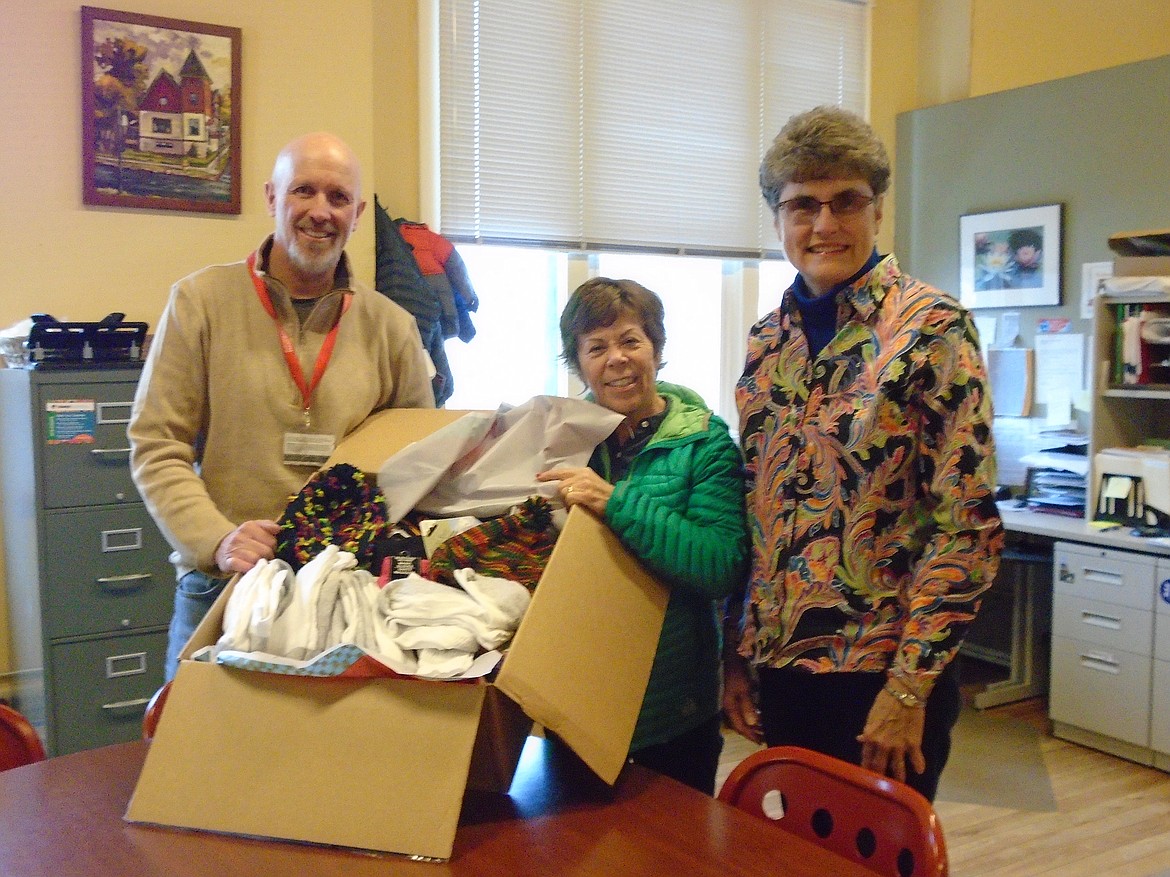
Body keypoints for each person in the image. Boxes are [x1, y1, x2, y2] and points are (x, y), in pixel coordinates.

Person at [722, 106, 1004, 802]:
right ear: (778, 217)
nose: (823, 224)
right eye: (802, 205)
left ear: (877, 209)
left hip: (882, 670)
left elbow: (965, 524)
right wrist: (737, 653)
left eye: (845, 200)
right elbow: (756, 509)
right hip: (782, 670)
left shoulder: (932, 329)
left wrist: (909, 688)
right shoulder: (767, 341)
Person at [129, 132, 436, 681]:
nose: (321, 212)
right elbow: (158, 446)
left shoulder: (392, 326)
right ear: (273, 198)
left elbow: (418, 467)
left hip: (346, 598)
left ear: (358, 213)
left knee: (326, 766)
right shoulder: (200, 302)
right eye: (304, 192)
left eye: (338, 198)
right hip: (222, 590)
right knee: (204, 761)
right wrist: (216, 538)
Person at [536, 277, 749, 795]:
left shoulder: (705, 443)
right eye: (597, 347)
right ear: (577, 362)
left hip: (672, 710)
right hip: (576, 699)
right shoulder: (560, 440)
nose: (617, 359)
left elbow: (721, 565)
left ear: (656, 348)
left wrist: (617, 503)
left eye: (631, 341)